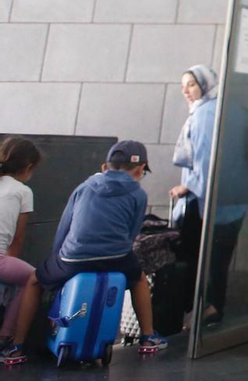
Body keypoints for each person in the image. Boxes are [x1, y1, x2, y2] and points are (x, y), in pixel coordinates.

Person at [35, 141, 166, 353]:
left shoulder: (84, 187)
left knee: (34, 280)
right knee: (139, 279)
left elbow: (64, 227)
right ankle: (148, 337)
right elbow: (132, 234)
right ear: (141, 168)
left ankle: (16, 345)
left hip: (73, 258)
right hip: (116, 256)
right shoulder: (138, 194)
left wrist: (57, 259)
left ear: (105, 166)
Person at [169, 64, 246, 328]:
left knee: (199, 257)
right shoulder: (230, 109)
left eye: (191, 84)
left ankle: (203, 309)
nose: (186, 92)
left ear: (205, 83)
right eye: (183, 87)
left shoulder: (204, 114)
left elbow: (205, 162)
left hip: (210, 202)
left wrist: (187, 187)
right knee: (219, 258)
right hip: (235, 200)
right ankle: (213, 307)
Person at [0, 138, 42, 365]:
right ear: (28, 168)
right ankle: (9, 340)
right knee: (32, 278)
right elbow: (17, 239)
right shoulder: (23, 191)